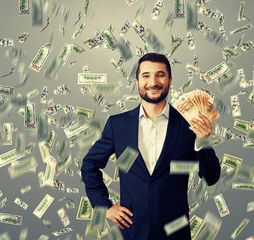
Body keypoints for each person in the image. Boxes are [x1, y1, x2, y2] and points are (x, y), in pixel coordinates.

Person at [81, 53, 221, 240]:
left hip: (175, 233)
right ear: (137, 81)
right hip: (132, 231)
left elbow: (210, 178)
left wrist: (202, 141)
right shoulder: (118, 124)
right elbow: (89, 165)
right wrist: (104, 207)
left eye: (160, 75)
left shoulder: (189, 125)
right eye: (146, 75)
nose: (153, 82)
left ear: (170, 81)